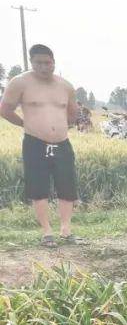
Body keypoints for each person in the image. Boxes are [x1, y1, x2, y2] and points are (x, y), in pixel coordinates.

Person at [0, 44, 79, 247]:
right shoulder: (20, 83)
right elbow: (6, 109)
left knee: (67, 185)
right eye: (39, 63)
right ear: (32, 62)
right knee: (39, 187)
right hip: (34, 141)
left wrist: (61, 126)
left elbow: (73, 112)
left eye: (48, 62)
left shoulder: (66, 86)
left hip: (62, 142)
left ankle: (66, 229)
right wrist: (25, 124)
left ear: (54, 62)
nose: (44, 67)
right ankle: (46, 232)